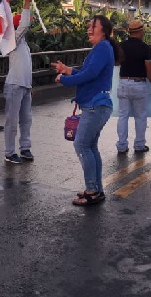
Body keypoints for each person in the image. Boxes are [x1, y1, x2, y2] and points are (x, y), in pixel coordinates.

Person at [51, 15, 123, 206]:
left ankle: (92, 190)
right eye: (89, 25)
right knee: (89, 146)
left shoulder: (102, 48)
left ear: (104, 30)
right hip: (97, 104)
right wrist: (68, 70)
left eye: (93, 26)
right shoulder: (102, 48)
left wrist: (64, 79)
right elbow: (87, 73)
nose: (89, 29)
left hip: (95, 105)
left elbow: (89, 75)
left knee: (82, 145)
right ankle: (96, 189)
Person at [116, 19, 151, 154]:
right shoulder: (145, 48)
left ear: (129, 32)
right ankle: (139, 145)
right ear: (141, 31)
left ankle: (122, 146)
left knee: (123, 116)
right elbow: (149, 69)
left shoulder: (121, 46)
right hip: (138, 84)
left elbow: (116, 62)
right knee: (140, 116)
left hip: (123, 83)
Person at [4, 0, 34, 164]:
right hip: (14, 85)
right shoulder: (12, 40)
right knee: (12, 121)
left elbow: (25, 67)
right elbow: (24, 26)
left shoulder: (23, 44)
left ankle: (25, 148)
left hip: (24, 86)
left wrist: (30, 86)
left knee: (26, 120)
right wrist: (27, 3)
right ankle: (9, 152)